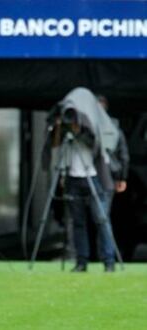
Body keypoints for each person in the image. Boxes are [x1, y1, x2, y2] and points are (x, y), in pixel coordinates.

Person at [50, 89, 116, 273]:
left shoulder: (91, 124)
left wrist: (81, 130)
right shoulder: (66, 127)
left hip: (93, 176)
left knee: (101, 219)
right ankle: (81, 261)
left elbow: (97, 144)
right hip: (73, 177)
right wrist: (60, 126)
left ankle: (109, 261)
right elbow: (55, 145)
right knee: (77, 221)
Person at [96, 95, 130, 215]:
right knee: (101, 215)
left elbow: (124, 155)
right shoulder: (115, 129)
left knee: (101, 215)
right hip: (105, 174)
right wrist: (122, 178)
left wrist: (122, 178)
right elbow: (124, 155)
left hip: (105, 174)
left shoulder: (114, 130)